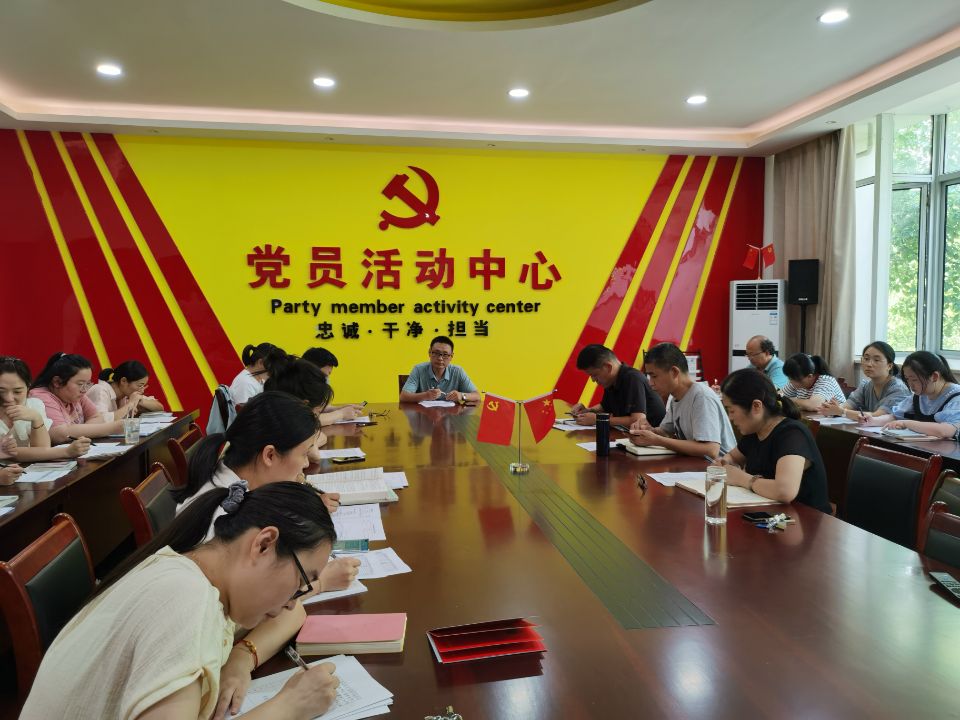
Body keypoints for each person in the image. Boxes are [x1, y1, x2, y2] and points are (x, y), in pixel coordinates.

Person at [20, 482, 341, 720]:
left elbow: (292, 613)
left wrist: (241, 658)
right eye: (300, 582)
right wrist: (289, 707)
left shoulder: (199, 573)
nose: (291, 601)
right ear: (264, 545)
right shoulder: (186, 601)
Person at [170, 391, 359, 712]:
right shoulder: (220, 530)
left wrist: (243, 656)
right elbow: (284, 608)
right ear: (270, 455)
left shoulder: (241, 498)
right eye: (303, 453)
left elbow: (289, 609)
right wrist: (320, 583)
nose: (306, 463)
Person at [718, 368, 831, 513]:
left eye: (731, 410)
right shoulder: (754, 431)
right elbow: (733, 457)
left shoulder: (792, 434)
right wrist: (724, 463)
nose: (730, 417)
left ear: (756, 406)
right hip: (770, 514)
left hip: (806, 518)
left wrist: (740, 478)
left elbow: (785, 491)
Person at [629, 343, 735, 458]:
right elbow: (665, 432)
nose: (650, 383)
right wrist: (648, 431)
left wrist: (657, 440)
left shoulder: (701, 396)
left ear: (674, 372)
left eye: (654, 376)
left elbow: (710, 449)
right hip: (695, 464)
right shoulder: (675, 397)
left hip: (720, 467)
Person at [0, 356, 90, 482]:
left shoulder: (34, 404)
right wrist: (66, 452)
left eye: (17, 391)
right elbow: (13, 454)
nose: (9, 398)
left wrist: (36, 418)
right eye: (1, 391)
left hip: (24, 476)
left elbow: (42, 447)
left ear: (28, 387)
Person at [28, 352, 123, 443]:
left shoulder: (76, 395)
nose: (84, 390)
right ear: (57, 382)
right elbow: (59, 434)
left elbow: (98, 417)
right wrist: (114, 428)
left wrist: (78, 432)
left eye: (88, 383)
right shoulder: (40, 396)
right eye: (80, 384)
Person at [865, 351, 960, 439]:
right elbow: (896, 416)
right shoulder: (920, 395)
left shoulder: (956, 396)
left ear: (934, 376)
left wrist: (906, 423)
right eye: (907, 379)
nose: (911, 384)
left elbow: (945, 431)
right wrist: (873, 420)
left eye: (914, 379)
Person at [571, 344, 665, 427]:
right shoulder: (611, 381)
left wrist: (598, 419)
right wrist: (587, 411)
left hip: (653, 435)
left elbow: (638, 420)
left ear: (608, 367)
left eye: (594, 375)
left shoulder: (632, 378)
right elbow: (604, 407)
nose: (593, 380)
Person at [820, 341, 909, 420]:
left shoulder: (898, 389)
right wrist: (831, 408)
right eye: (866, 359)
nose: (869, 364)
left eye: (876, 360)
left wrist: (841, 411)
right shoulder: (865, 386)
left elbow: (877, 416)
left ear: (889, 366)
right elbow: (847, 406)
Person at [264, 356, 356, 429]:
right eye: (325, 375)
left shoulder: (277, 403)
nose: (326, 379)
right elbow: (311, 422)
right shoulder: (282, 422)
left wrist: (337, 410)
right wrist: (341, 413)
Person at [400, 336, 480, 404]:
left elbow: (477, 396)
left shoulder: (458, 371)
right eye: (436, 353)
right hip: (424, 415)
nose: (440, 358)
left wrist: (461, 396)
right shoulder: (418, 370)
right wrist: (425, 395)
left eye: (445, 354)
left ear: (451, 356)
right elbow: (403, 397)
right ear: (429, 353)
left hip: (451, 415)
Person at [86, 360, 164, 420]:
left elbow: (160, 408)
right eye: (140, 385)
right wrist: (130, 405)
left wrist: (139, 400)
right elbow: (101, 420)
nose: (142, 390)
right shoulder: (100, 390)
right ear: (123, 381)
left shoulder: (126, 393)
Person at [302, 347, 364, 419]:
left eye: (327, 376)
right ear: (309, 370)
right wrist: (341, 414)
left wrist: (339, 409)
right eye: (323, 376)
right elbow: (306, 419)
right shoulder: (294, 390)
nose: (326, 380)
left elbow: (315, 408)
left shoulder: (306, 386)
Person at [781, 353, 846, 410]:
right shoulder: (797, 380)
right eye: (790, 378)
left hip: (837, 419)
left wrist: (791, 400)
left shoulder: (826, 381)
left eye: (795, 379)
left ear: (810, 376)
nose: (791, 382)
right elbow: (780, 396)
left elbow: (814, 405)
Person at [230, 343, 285, 409]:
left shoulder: (259, 379)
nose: (273, 372)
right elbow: (245, 413)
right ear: (260, 363)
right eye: (272, 367)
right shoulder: (245, 384)